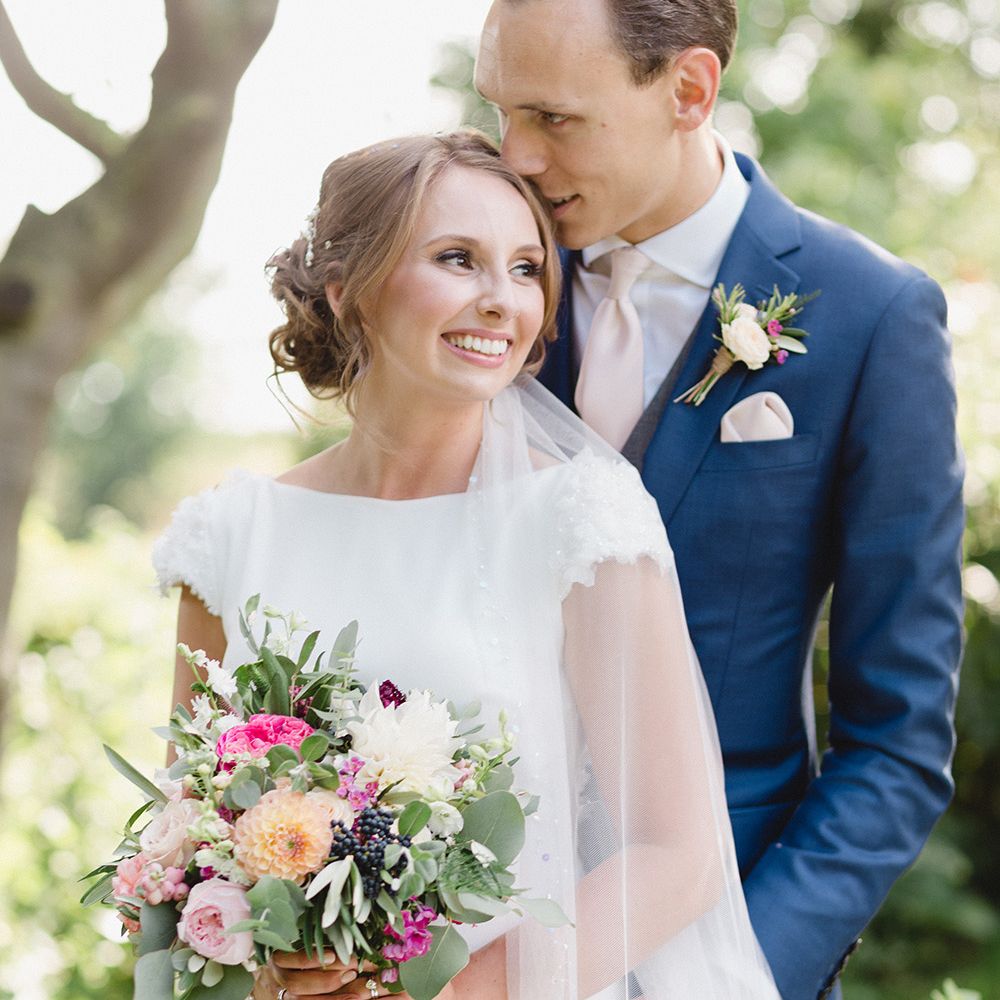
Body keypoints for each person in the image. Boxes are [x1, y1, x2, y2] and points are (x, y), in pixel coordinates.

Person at [153, 131, 780, 999]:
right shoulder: (230, 534)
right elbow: (186, 836)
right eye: (458, 259)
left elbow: (677, 852)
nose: (501, 301)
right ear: (347, 289)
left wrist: (453, 993)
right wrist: (262, 967)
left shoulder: (580, 518)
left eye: (526, 269)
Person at [474, 2, 966, 998]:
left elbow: (898, 740)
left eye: (553, 117)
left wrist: (741, 974)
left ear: (689, 90)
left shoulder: (871, 316)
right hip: (472, 937)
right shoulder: (478, 288)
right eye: (500, 111)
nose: (515, 156)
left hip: (724, 939)